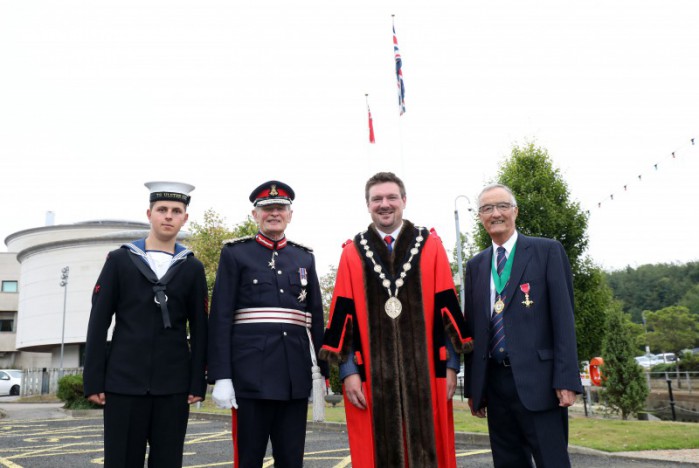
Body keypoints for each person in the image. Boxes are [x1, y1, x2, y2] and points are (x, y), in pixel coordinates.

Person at [320, 172, 473, 467]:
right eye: (377, 199)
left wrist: (452, 367)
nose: (384, 204)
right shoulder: (352, 253)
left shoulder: (430, 246)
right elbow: (342, 319)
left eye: (391, 197)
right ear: (368, 205)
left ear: (404, 201)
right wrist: (349, 372)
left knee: (432, 451)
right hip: (372, 377)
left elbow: (447, 311)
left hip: (428, 373)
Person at [83, 181, 208, 468]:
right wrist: (94, 380)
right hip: (123, 383)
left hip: (173, 386)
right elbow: (99, 321)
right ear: (149, 213)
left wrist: (196, 381)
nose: (168, 216)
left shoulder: (192, 267)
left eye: (176, 211)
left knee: (168, 461)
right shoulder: (119, 260)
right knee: (121, 461)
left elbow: (201, 328)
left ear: (185, 218)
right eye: (162, 209)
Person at [462, 183, 583, 468]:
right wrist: (474, 389)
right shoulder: (476, 265)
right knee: (507, 463)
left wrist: (566, 379)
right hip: (495, 385)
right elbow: (474, 329)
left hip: (540, 383)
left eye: (502, 206)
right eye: (487, 208)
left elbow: (563, 319)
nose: (496, 214)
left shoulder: (547, 251)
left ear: (515, 211)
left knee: (552, 461)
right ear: (480, 216)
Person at [207, 180, 325, 468]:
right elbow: (221, 316)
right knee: (248, 460)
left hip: (293, 378)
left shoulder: (304, 257)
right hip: (249, 378)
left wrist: (322, 373)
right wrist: (221, 376)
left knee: (291, 460)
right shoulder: (235, 253)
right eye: (267, 208)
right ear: (254, 215)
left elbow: (315, 318)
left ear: (290, 214)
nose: (274, 213)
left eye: (280, 208)